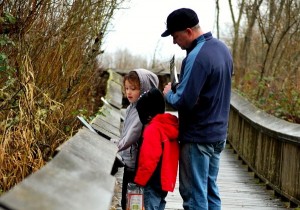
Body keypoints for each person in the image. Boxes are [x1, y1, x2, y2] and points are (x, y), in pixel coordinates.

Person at [161, 8, 233, 210]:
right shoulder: (222, 50)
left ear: (188, 31)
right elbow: (208, 88)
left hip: (198, 138)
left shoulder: (196, 56)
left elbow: (184, 101)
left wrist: (168, 93)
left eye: (175, 36)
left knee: (194, 196)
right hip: (218, 135)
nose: (175, 42)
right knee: (210, 192)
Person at [116, 69, 159, 210]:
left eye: (133, 89)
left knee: (132, 201)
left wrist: (116, 146)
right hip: (128, 160)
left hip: (136, 163)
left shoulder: (142, 110)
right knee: (126, 200)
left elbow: (132, 134)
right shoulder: (130, 108)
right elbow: (125, 133)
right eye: (127, 88)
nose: (128, 92)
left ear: (144, 89)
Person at [134, 87, 179, 210]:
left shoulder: (153, 130)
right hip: (164, 181)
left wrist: (140, 180)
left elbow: (149, 158)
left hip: (152, 181)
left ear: (147, 116)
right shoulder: (169, 127)